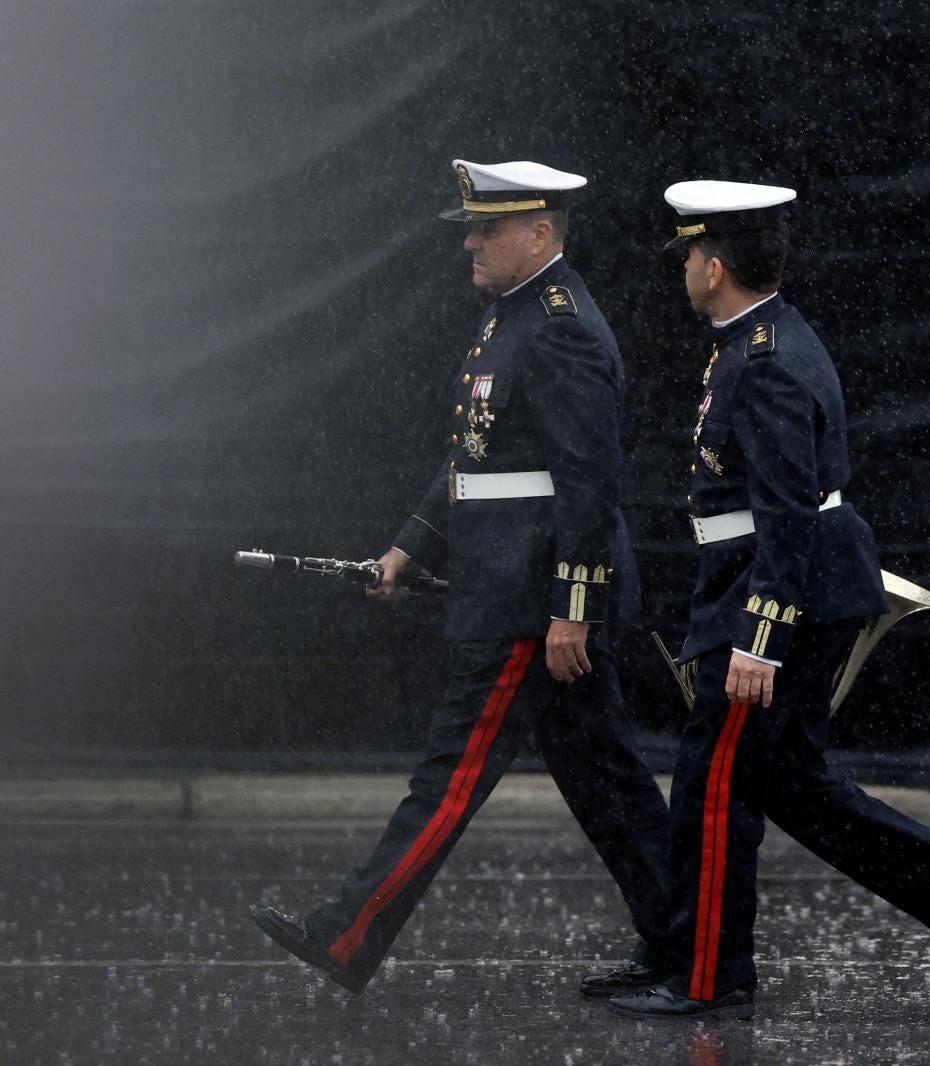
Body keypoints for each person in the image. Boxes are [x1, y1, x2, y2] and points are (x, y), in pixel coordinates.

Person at [252, 159, 672, 998]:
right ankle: (692, 943)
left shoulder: (559, 326)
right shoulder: (509, 318)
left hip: (530, 601)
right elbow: (476, 462)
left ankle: (347, 935)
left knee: (450, 777)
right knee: (610, 784)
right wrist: (411, 548)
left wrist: (571, 609)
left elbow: (588, 484)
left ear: (541, 233)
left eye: (488, 228)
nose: (471, 242)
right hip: (509, 586)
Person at [607, 180, 930, 1021]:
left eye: (689, 253)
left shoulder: (762, 362)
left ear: (715, 266)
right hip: (785, 590)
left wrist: (759, 639)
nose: (682, 266)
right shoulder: (758, 338)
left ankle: (711, 974)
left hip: (776, 600)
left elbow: (787, 516)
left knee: (713, 784)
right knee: (790, 782)